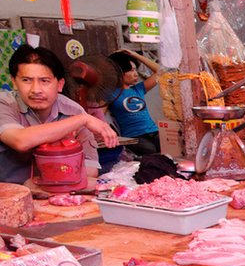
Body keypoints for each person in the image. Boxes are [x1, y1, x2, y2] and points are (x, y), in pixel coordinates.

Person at [0, 45, 117, 184]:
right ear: (14, 82)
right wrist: (82, 119)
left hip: (55, 194)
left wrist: (49, 181)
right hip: (8, 195)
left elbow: (91, 168)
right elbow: (20, 141)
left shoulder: (73, 111)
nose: (36, 90)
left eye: (45, 81)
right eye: (26, 80)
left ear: (60, 84)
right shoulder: (5, 103)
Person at [107, 49, 161, 156]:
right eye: (131, 71)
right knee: (153, 154)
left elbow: (160, 71)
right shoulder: (110, 94)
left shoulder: (138, 89)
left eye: (136, 70)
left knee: (170, 151)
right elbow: (99, 116)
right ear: (119, 72)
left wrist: (135, 55)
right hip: (134, 137)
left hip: (154, 131)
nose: (136, 74)